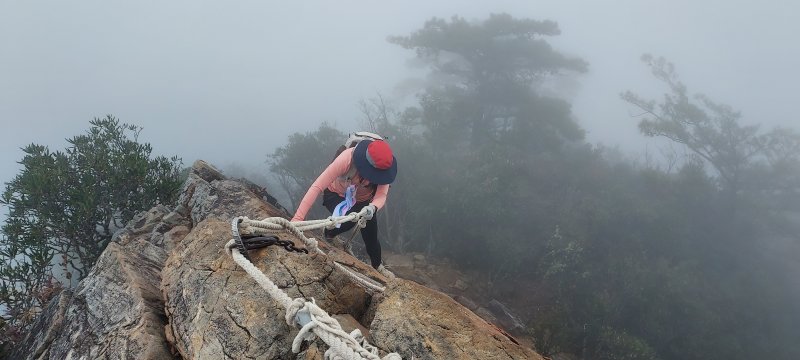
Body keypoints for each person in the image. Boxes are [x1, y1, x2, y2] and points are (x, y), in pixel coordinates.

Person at [291, 138, 398, 278]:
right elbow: (317, 186)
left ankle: (377, 265)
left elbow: (381, 195)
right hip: (335, 194)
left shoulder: (384, 170)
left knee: (371, 235)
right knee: (350, 219)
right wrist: (298, 218)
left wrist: (373, 207)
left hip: (364, 202)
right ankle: (329, 232)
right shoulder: (347, 159)